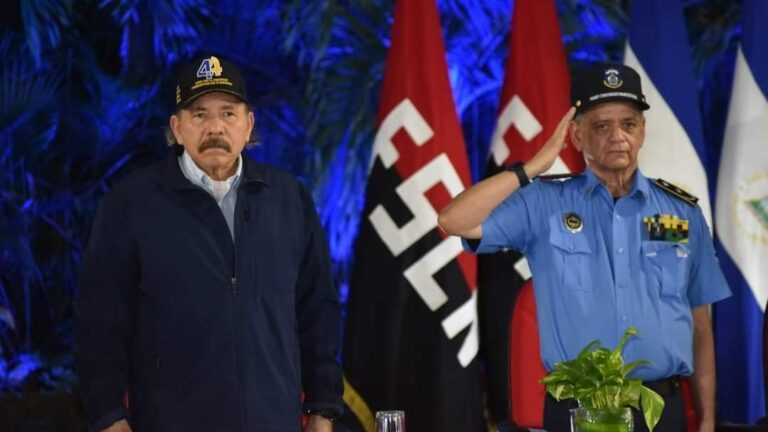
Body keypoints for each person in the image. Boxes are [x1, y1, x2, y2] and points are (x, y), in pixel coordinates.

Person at [438, 63, 731, 432]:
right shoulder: (544, 204)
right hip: (577, 412)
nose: (618, 136)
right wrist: (531, 168)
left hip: (661, 412)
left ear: (643, 132)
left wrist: (705, 420)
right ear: (576, 136)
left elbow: (700, 325)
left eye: (628, 124)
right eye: (602, 126)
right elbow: (453, 220)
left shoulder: (680, 213)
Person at [75, 55, 343, 432]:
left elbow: (317, 312)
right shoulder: (131, 204)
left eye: (228, 113)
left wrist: (322, 408)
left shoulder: (289, 199)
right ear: (177, 128)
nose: (215, 126)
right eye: (199, 114)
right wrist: (108, 418)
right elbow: (99, 322)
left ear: (249, 125)